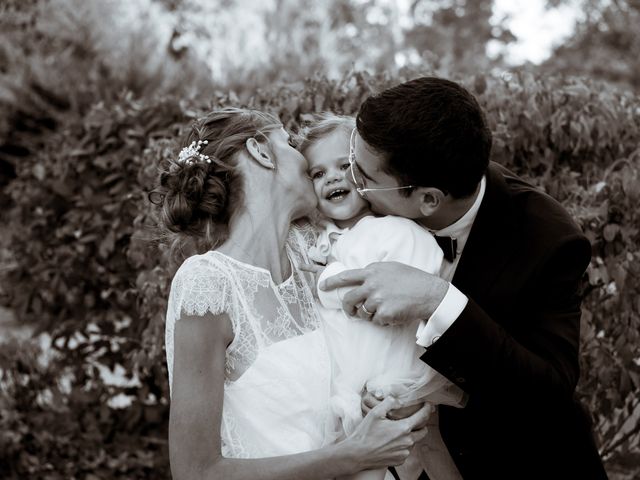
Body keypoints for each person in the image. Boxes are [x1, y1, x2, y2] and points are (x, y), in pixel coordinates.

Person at [318, 77, 609, 479]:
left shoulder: (549, 239)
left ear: (428, 199)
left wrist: (437, 301)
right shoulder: (375, 205)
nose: (353, 180)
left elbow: (548, 390)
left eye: (364, 177)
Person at [152, 107, 432, 480]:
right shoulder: (208, 284)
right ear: (261, 151)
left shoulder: (320, 249)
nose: (303, 155)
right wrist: (351, 456)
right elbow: (195, 472)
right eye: (287, 141)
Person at [299, 114, 466, 480]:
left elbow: (379, 298)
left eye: (345, 166)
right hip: (338, 379)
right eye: (317, 172)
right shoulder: (317, 237)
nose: (332, 178)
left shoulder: (395, 232)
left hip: (390, 369)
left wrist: (324, 278)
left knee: (404, 455)